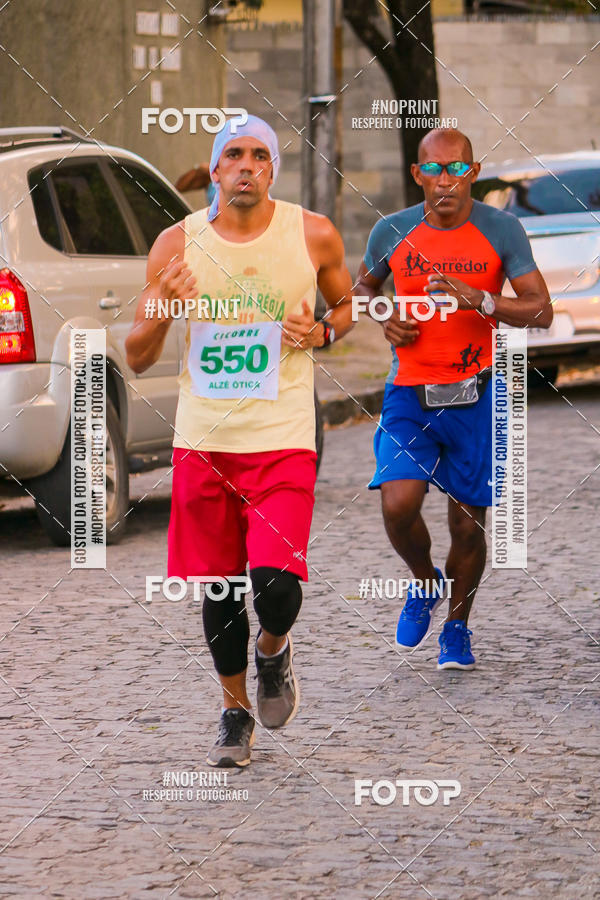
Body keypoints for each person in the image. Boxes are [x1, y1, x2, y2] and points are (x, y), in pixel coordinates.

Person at [126, 115, 353, 766]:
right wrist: (165, 307)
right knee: (220, 588)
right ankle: (234, 711)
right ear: (216, 171)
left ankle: (273, 653)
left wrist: (323, 333)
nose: (247, 165)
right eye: (234, 155)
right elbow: (137, 357)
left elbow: (346, 310)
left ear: (272, 171)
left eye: (260, 155)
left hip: (283, 434)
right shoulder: (176, 244)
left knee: (276, 587)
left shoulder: (312, 234)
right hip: (205, 441)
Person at [355, 128, 552, 670]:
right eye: (435, 169)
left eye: (458, 169)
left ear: (474, 172)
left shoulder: (501, 229)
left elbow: (541, 310)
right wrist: (384, 318)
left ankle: (457, 628)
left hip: (479, 394)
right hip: (409, 394)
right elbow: (361, 292)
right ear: (418, 174)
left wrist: (485, 301)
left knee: (467, 524)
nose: (447, 180)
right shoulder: (392, 230)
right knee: (397, 506)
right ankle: (425, 582)